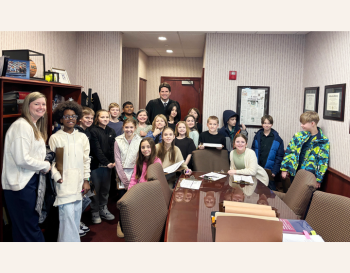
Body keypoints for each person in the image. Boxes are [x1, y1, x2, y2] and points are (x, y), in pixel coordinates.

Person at [2, 92, 51, 242]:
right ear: (27, 106)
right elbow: (22, 159)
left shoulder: (33, 125)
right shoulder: (22, 126)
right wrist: (45, 164)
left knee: (24, 228)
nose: (41, 107)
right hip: (20, 186)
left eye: (43, 104)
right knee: (28, 228)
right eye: (36, 104)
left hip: (28, 181)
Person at [49, 101, 91, 242]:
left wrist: (86, 180)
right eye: (67, 117)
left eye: (73, 116)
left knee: (75, 218)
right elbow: (52, 162)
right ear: (61, 119)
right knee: (66, 219)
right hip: (63, 184)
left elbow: (86, 161)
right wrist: (56, 177)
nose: (70, 119)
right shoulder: (55, 138)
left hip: (79, 183)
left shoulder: (82, 137)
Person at [280, 111, 330, 188]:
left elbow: (323, 161)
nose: (301, 125)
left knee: (305, 198)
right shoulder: (298, 136)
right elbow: (289, 152)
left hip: (309, 176)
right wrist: (284, 169)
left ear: (312, 123)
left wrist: (318, 179)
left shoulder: (323, 140)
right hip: (295, 172)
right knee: (293, 195)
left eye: (304, 123)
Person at [89, 109, 116, 224]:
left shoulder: (111, 131)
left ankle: (103, 208)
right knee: (96, 189)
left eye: (107, 117)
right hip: (97, 166)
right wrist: (106, 162)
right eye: (102, 117)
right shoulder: (93, 131)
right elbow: (96, 150)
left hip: (109, 166)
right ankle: (94, 211)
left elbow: (113, 148)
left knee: (105, 189)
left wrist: (113, 162)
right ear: (97, 118)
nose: (105, 119)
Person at [74, 106, 94, 236]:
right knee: (78, 198)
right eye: (87, 117)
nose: (89, 120)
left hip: (85, 168)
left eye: (91, 118)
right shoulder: (77, 132)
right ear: (80, 118)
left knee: (83, 197)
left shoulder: (88, 132)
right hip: (78, 170)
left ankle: (78, 221)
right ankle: (75, 224)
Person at [251, 115, 284, 190]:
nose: (266, 125)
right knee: (256, 190)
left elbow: (279, 157)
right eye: (265, 123)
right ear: (262, 124)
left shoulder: (278, 139)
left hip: (270, 171)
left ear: (271, 124)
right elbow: (252, 152)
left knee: (270, 194)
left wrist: (274, 171)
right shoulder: (257, 137)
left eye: (269, 123)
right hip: (257, 169)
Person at [114, 118, 142, 195]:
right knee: (123, 198)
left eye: (131, 127)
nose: (129, 129)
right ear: (123, 127)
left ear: (135, 128)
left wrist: (134, 178)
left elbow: (139, 160)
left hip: (135, 173)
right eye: (126, 127)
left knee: (135, 198)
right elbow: (117, 160)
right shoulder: (118, 141)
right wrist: (125, 181)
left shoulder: (140, 141)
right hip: (122, 173)